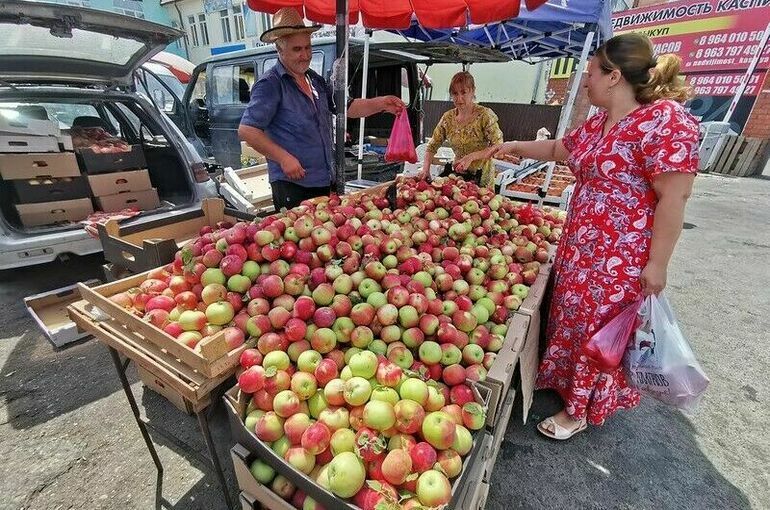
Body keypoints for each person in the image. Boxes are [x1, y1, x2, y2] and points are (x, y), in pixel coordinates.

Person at [458, 33, 700, 439]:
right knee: (570, 316)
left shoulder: (665, 122)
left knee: (598, 329)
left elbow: (675, 196)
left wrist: (658, 264)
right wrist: (507, 147)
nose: (584, 81)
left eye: (590, 73)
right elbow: (558, 150)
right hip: (580, 244)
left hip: (620, 254)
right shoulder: (599, 123)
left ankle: (579, 409)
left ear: (614, 77)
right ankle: (562, 380)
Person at [238, 8, 404, 210]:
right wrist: (284, 158)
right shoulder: (271, 84)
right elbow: (247, 130)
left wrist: (381, 103)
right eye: (297, 49)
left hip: (323, 180)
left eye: (308, 48)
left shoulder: (314, 79)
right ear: (279, 50)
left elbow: (347, 108)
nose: (305, 55)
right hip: (293, 185)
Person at [418, 71, 503, 188]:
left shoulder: (485, 116)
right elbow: (432, 145)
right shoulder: (448, 118)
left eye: (464, 92)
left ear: (473, 91)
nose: (459, 98)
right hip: (459, 176)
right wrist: (425, 169)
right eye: (455, 93)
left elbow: (498, 146)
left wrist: (472, 157)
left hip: (482, 177)